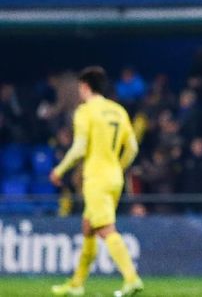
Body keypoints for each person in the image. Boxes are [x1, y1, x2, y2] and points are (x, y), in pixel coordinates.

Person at [49, 66, 143, 297]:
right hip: (115, 177)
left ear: (84, 87)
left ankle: (132, 279)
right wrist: (118, 167)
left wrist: (60, 170)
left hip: (96, 178)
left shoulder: (85, 111)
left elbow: (80, 147)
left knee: (105, 229)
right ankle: (76, 285)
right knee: (88, 228)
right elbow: (132, 147)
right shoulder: (118, 110)